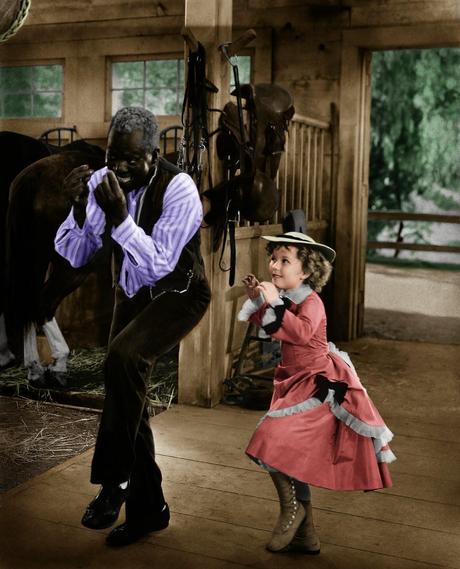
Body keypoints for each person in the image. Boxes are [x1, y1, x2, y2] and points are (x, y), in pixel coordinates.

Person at [55, 106, 210, 547]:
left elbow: (161, 263)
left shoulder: (180, 189)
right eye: (112, 157)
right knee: (126, 390)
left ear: (155, 154)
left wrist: (120, 218)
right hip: (133, 293)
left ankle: (113, 482)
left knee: (123, 358)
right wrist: (80, 209)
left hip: (177, 295)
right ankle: (150, 510)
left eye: (132, 161)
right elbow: (77, 255)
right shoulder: (103, 181)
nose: (120, 169)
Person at [238, 231, 395, 554]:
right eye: (273, 259)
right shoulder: (289, 299)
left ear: (305, 271)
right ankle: (306, 534)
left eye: (285, 261)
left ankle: (291, 512)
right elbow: (271, 325)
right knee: (290, 452)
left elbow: (299, 332)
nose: (275, 266)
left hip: (319, 384)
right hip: (292, 380)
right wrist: (258, 297)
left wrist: (273, 301)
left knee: (270, 439)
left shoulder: (312, 303)